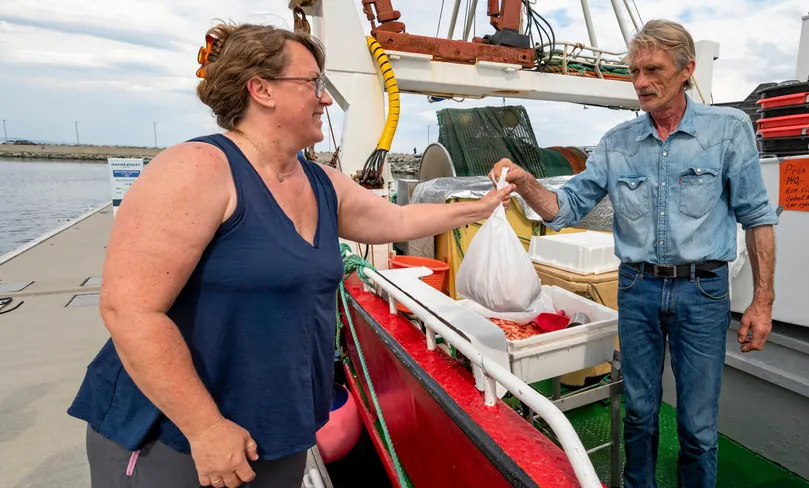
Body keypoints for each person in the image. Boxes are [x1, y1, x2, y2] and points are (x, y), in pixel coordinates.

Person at [67, 23, 513, 488]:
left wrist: (482, 206)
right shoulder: (198, 169)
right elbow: (130, 310)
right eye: (313, 83)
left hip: (279, 432)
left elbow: (398, 223)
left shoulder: (320, 183)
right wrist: (204, 427)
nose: (325, 99)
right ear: (261, 90)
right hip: (181, 439)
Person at [492, 19, 777, 488]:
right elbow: (563, 210)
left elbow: (757, 217)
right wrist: (524, 181)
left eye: (653, 70)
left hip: (702, 293)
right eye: (635, 71)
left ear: (686, 70)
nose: (641, 82)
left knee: (698, 428)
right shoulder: (616, 143)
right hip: (638, 289)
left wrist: (762, 302)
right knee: (640, 415)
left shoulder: (729, 130)